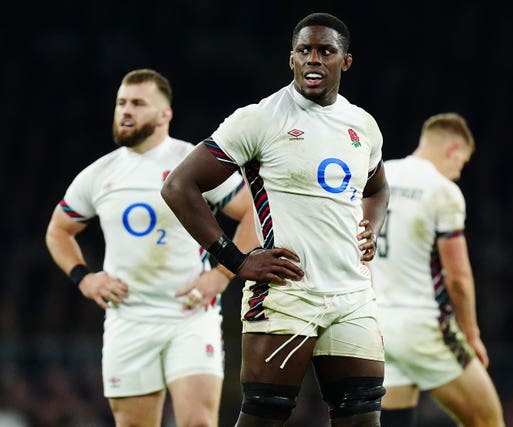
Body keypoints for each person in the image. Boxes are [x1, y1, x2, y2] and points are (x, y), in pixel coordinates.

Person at [161, 12, 390, 427]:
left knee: (361, 419)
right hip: (287, 295)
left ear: (346, 62)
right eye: (304, 51)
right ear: (291, 59)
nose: (313, 60)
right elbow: (179, 186)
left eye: (325, 51)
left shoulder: (363, 126)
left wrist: (371, 228)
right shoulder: (260, 119)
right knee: (266, 416)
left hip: (352, 296)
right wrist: (236, 259)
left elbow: (376, 189)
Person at [45, 68, 258, 427]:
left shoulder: (192, 163)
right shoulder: (99, 174)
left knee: (199, 423)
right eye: (121, 103)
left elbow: (252, 214)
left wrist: (221, 276)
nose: (126, 111)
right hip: (129, 318)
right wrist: (85, 279)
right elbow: (58, 231)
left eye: (138, 104)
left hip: (189, 315)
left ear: (165, 114)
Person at [368, 113, 505, 426]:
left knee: (395, 421)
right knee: (488, 421)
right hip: (424, 325)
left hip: (379, 325)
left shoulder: (379, 174)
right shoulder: (443, 191)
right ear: (453, 148)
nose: (458, 174)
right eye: (462, 163)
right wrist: (471, 335)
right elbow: (457, 278)